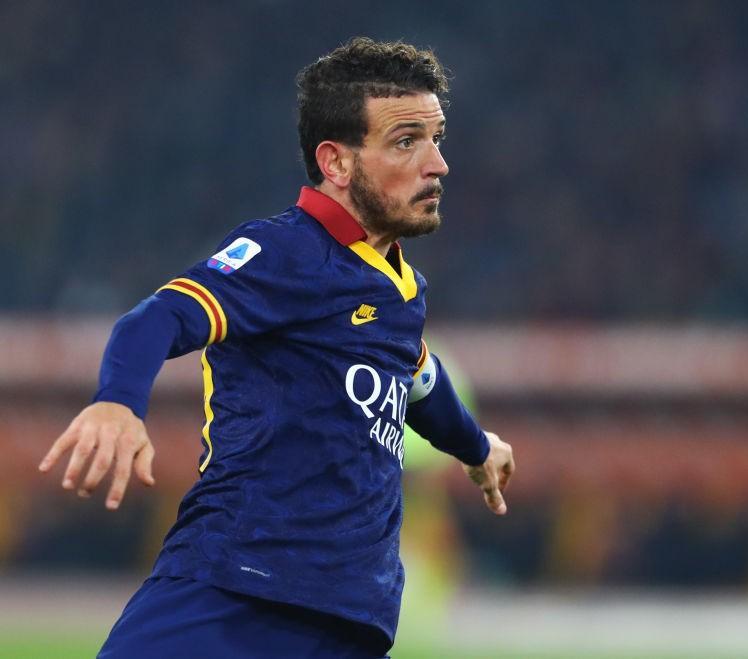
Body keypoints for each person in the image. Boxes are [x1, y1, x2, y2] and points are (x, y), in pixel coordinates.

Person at [37, 37, 514, 659]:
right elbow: (158, 317)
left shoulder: (399, 287)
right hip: (237, 592)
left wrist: (476, 448)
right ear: (336, 163)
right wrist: (118, 403)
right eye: (406, 141)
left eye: (437, 139)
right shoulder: (288, 253)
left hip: (353, 615)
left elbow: (416, 376)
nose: (437, 164)